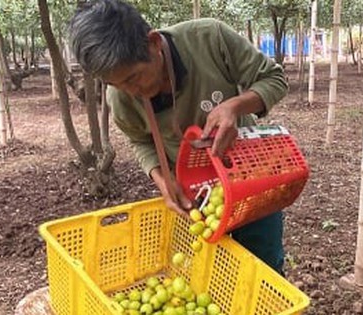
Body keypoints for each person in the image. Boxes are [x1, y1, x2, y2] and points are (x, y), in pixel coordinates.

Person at [69, 0, 289, 274]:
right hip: (199, 193)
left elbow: (274, 79)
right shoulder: (121, 97)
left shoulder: (209, 38)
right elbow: (140, 140)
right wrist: (162, 179)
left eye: (133, 77)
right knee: (211, 272)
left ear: (153, 43)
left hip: (249, 176)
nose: (131, 91)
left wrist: (235, 106)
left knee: (264, 265)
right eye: (117, 84)